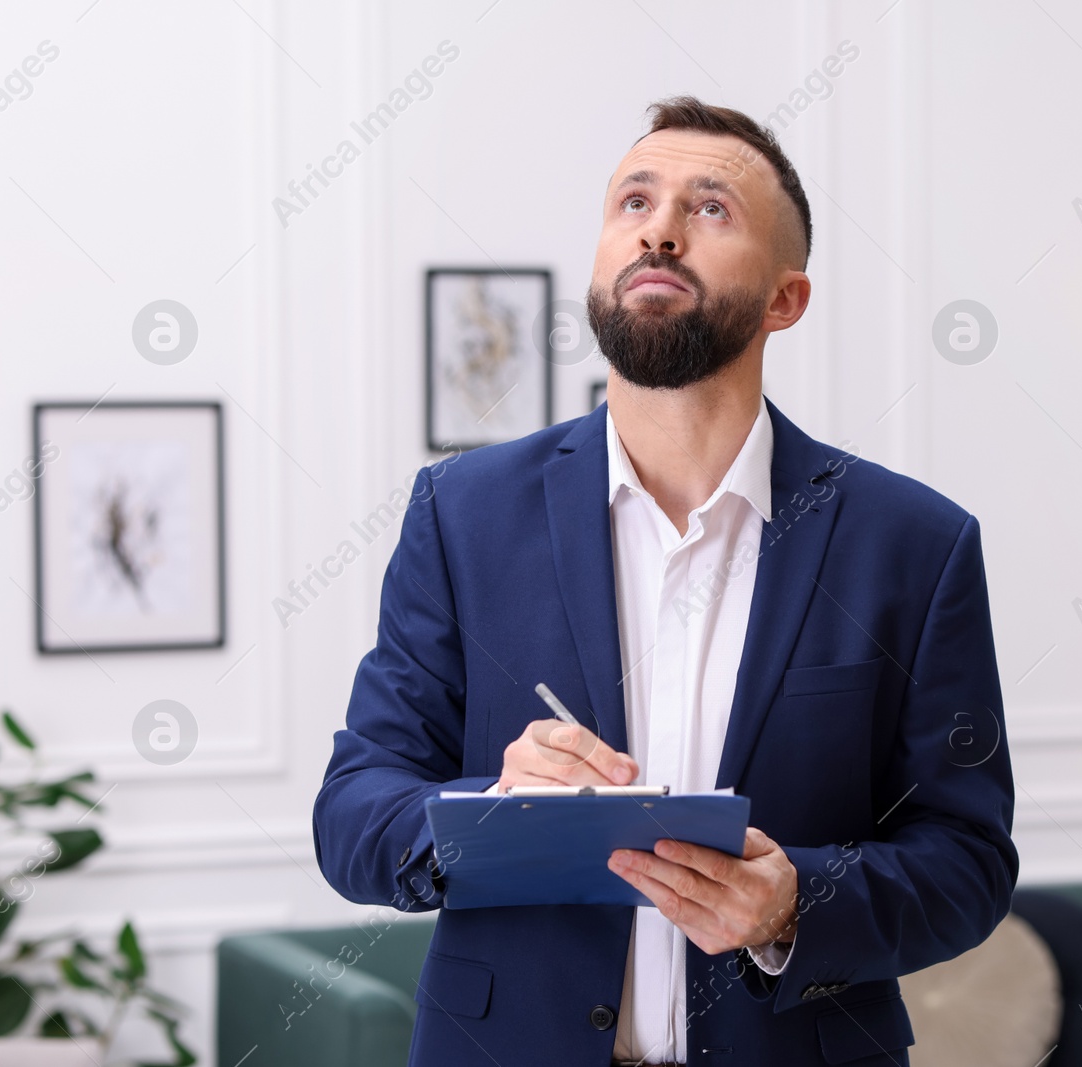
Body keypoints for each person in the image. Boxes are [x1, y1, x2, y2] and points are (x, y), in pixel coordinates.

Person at [313, 95, 1017, 1067]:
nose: (659, 227)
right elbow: (352, 812)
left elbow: (969, 860)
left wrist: (794, 902)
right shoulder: (461, 513)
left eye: (710, 207)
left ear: (785, 299)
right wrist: (489, 804)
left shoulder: (913, 544)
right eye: (632, 200)